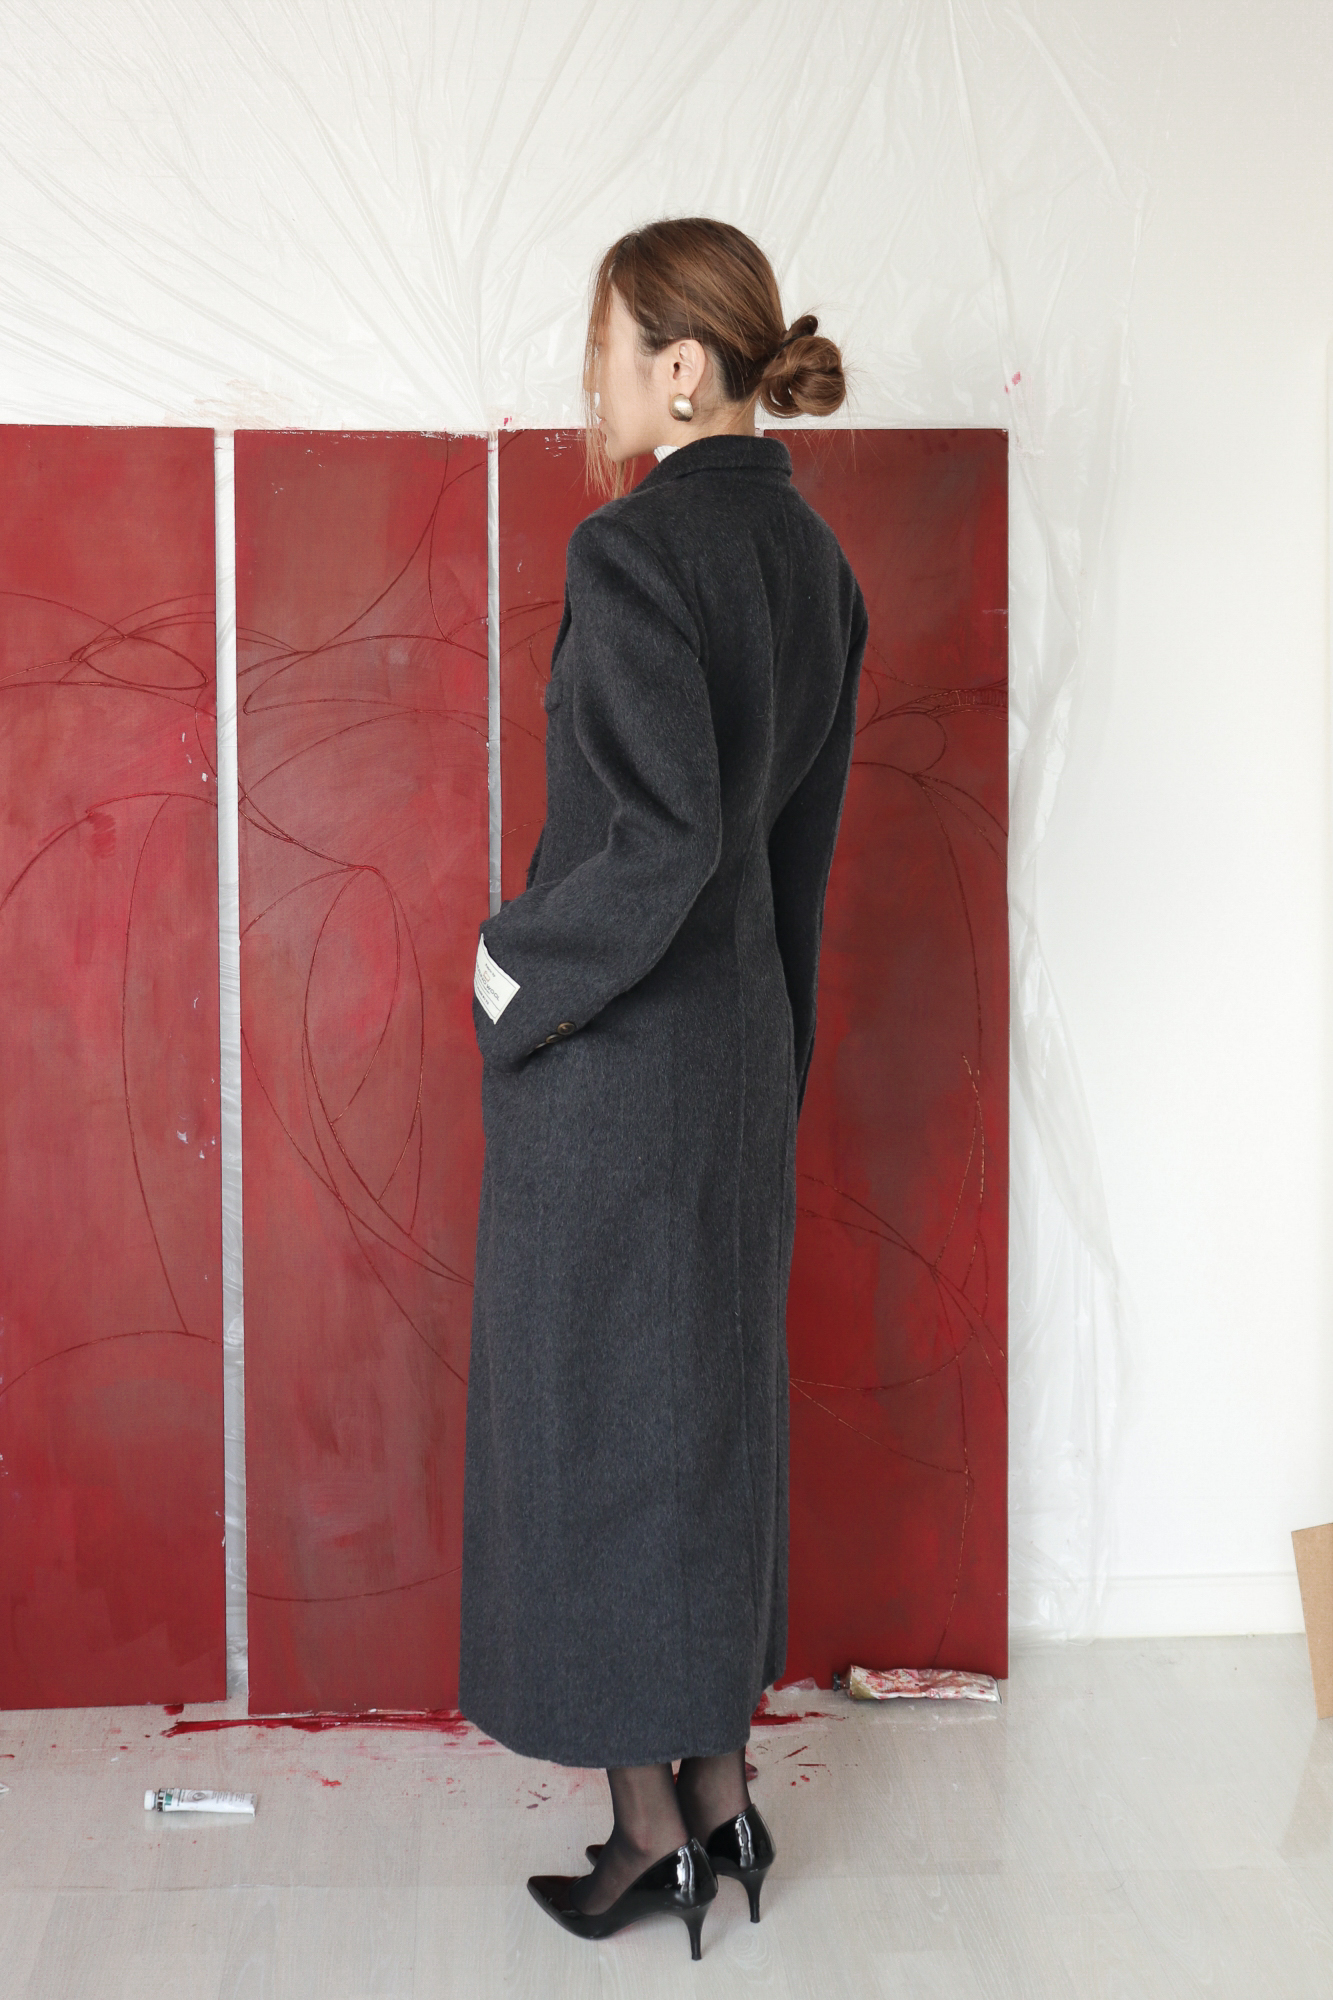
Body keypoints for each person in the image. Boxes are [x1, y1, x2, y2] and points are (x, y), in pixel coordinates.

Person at [459, 216, 868, 1961]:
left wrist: (508, 973)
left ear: (680, 370)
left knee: (595, 1434)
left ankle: (651, 1837)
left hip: (614, 1065)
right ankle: (718, 1795)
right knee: (700, 1425)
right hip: (737, 1064)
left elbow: (658, 843)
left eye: (607, 349)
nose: (594, 384)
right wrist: (773, 1058)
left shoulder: (633, 550)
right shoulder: (815, 562)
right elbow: (791, 868)